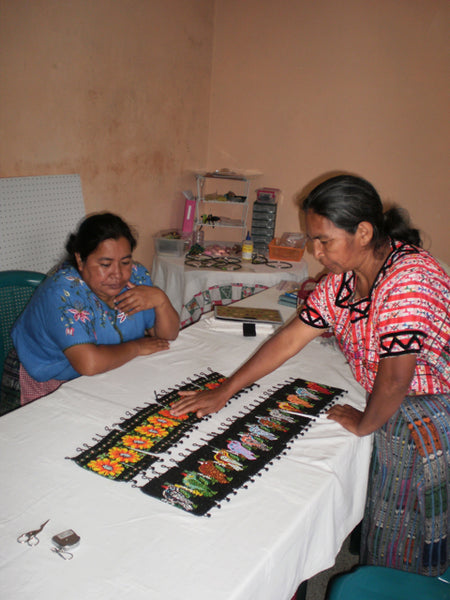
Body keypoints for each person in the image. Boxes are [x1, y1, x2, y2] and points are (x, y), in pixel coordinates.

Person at [171, 174, 449, 576]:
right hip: (395, 402)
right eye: (312, 239)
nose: (316, 252)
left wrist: (365, 422)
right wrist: (226, 390)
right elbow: (289, 339)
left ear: (365, 232)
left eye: (324, 240)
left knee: (405, 527)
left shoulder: (408, 282)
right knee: (384, 511)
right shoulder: (342, 283)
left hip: (430, 408)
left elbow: (395, 382)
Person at [3, 212, 179, 410]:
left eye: (125, 262)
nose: (118, 274)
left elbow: (167, 335)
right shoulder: (62, 293)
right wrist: (138, 347)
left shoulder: (136, 278)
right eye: (105, 264)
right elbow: (89, 363)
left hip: (100, 375)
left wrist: (160, 300)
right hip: (46, 381)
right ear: (80, 259)